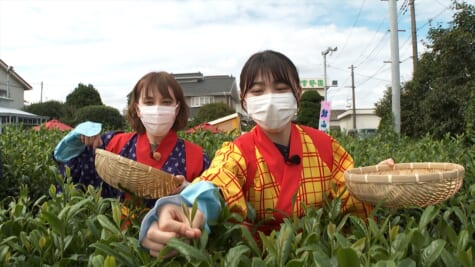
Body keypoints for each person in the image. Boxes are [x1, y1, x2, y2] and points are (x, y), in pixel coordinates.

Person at [139, 50, 394, 257]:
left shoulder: (325, 146)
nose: (270, 98)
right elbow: (218, 184)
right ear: (245, 100)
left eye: (281, 88)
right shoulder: (237, 151)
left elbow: (351, 195)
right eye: (258, 91)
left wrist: (374, 182)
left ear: (298, 93)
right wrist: (184, 208)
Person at [53, 71, 210, 208]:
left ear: (177, 109)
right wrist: (75, 146)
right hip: (118, 237)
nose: (157, 108)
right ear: (137, 109)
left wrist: (192, 190)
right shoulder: (114, 144)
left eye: (166, 102)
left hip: (172, 238)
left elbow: (213, 202)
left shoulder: (196, 157)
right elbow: (75, 180)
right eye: (149, 102)